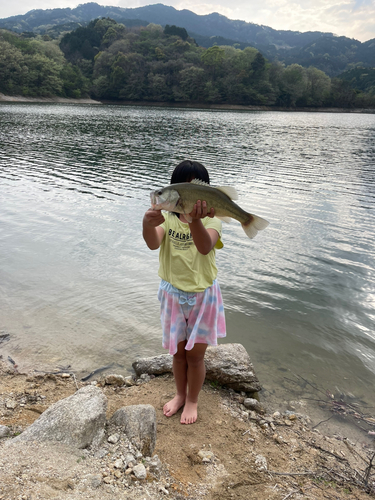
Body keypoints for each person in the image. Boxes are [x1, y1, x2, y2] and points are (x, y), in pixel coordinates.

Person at [142, 160, 226, 425]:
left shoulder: (212, 220)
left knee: (195, 356)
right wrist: (147, 223)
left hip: (204, 297)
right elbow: (153, 243)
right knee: (177, 354)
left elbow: (204, 247)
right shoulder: (166, 218)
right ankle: (180, 394)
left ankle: (192, 400)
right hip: (172, 296)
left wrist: (195, 221)